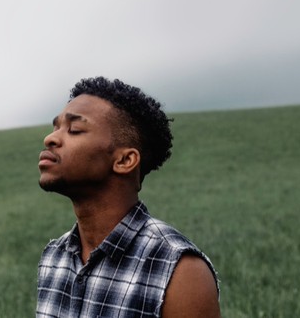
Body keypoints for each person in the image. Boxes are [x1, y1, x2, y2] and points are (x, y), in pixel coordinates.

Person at [36, 76, 220, 318]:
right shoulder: (53, 257)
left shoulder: (179, 270)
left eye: (75, 130)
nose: (50, 138)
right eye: (56, 127)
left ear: (124, 160)